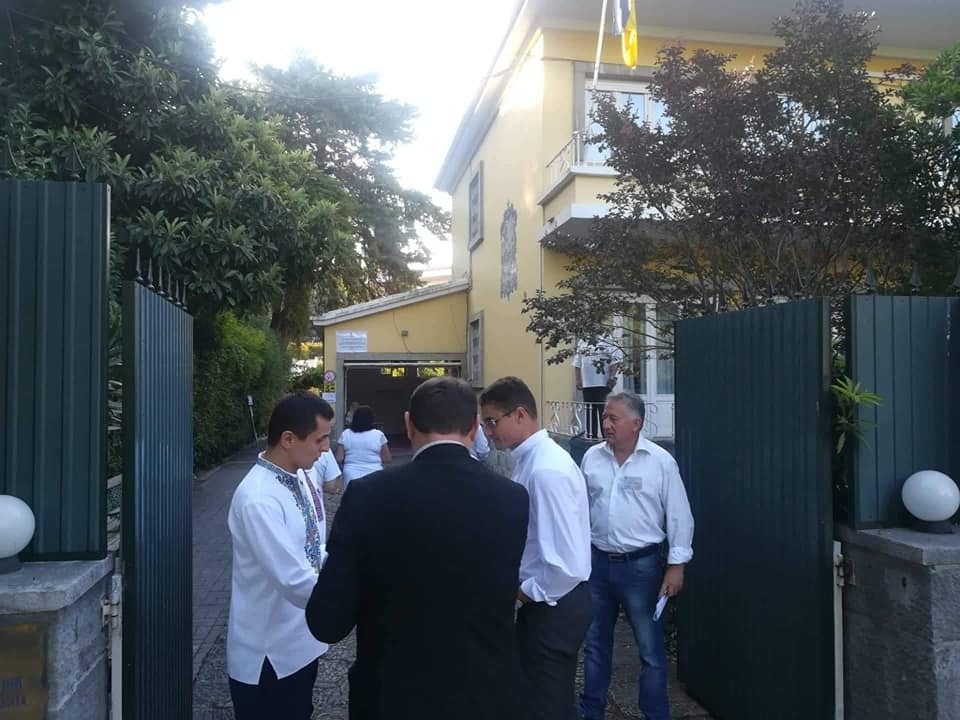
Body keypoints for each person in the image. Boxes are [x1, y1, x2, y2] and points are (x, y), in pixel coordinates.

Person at [306, 376, 530, 720]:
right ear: (475, 428)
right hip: (484, 695)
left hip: (392, 696)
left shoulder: (368, 496)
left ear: (409, 424)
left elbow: (328, 621)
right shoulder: (512, 498)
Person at [479, 376, 592, 720]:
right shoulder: (532, 460)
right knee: (541, 698)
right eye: (484, 424)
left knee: (547, 704)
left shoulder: (545, 470)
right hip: (547, 602)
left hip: (553, 604)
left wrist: (522, 592)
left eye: (492, 422)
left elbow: (566, 565)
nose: (488, 432)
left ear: (520, 414)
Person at [578, 392, 694, 720]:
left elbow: (679, 515)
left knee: (650, 651)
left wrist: (677, 565)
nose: (606, 424)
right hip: (598, 565)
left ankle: (655, 714)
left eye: (613, 418)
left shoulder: (660, 462)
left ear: (636, 423)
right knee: (595, 646)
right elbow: (580, 510)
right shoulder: (592, 458)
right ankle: (591, 712)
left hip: (641, 569)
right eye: (605, 417)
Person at [226, 391, 335, 720]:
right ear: (288, 439)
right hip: (268, 656)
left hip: (300, 643)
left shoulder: (301, 476)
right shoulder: (258, 498)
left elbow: (314, 550)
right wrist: (353, 598)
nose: (326, 448)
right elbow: (294, 580)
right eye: (320, 439)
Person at [572, 337, 623, 439]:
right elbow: (577, 363)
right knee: (590, 412)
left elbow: (615, 360)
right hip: (587, 385)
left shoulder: (608, 340)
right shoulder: (583, 342)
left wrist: (612, 377)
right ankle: (592, 437)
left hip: (603, 384)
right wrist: (578, 380)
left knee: (604, 412)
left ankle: (607, 437)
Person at [334, 405, 391, 488]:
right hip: (375, 473)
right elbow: (387, 458)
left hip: (351, 473)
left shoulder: (346, 434)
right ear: (371, 419)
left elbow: (339, 458)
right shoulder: (379, 435)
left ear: (355, 418)